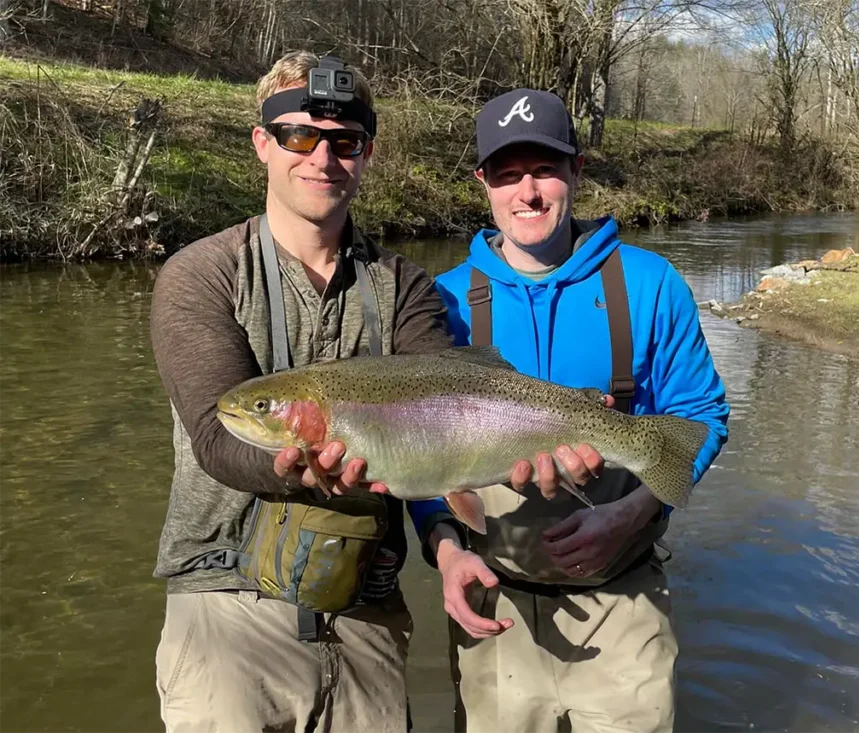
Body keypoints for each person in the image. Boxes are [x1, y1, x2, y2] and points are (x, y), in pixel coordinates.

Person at [149, 52, 598, 733]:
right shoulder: (202, 277)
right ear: (262, 143)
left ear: (367, 153)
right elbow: (217, 436)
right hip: (225, 614)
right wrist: (300, 466)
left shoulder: (406, 288)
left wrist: (448, 544)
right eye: (299, 135)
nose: (321, 157)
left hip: (367, 614)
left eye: (345, 141)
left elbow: (443, 433)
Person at [407, 89, 730, 733]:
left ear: (577, 172)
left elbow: (701, 417)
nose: (527, 192)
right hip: (492, 601)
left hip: (624, 601)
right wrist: (444, 549)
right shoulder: (438, 303)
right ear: (484, 184)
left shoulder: (649, 283)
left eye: (544, 171)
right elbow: (420, 457)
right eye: (507, 175)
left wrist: (638, 511)